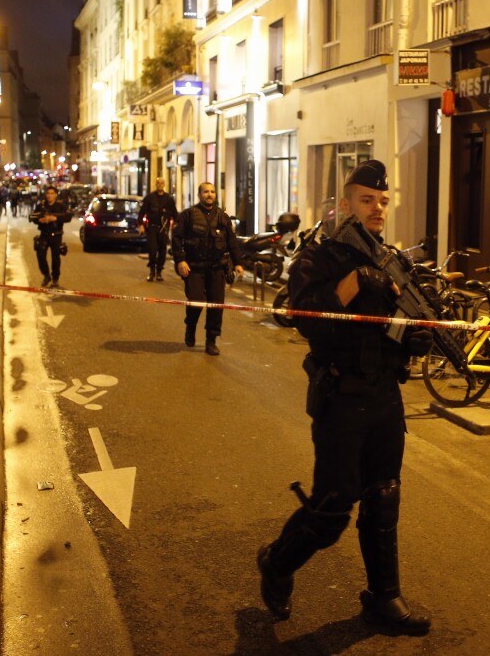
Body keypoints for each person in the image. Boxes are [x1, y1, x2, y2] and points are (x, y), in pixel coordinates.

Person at [256, 160, 433, 635]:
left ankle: (384, 596)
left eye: (382, 200)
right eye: (366, 200)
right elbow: (304, 318)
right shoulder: (320, 258)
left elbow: (391, 328)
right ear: (344, 204)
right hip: (341, 399)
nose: (377, 209)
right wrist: (354, 284)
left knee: (384, 497)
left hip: (384, 398)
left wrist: (412, 340)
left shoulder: (390, 258)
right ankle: (276, 562)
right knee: (333, 508)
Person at [171, 182, 244, 356]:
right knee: (196, 301)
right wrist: (181, 260)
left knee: (216, 305)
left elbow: (232, 242)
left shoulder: (222, 217)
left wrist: (238, 263)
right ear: (199, 194)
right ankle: (191, 326)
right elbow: (176, 239)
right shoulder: (188, 215)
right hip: (194, 268)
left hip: (217, 268)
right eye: (205, 192)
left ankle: (211, 340)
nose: (209, 194)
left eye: (212, 191)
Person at [30, 185, 71, 288]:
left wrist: (55, 218)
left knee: (55, 258)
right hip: (44, 234)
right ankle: (46, 275)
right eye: (48, 193)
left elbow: (68, 216)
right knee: (40, 255)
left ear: (56, 195)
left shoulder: (61, 206)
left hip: (56, 235)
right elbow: (33, 217)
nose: (49, 196)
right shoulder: (41, 206)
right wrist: (39, 220)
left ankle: (55, 279)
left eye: (52, 193)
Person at [139, 177, 178, 282]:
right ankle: (152, 271)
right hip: (152, 228)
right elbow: (142, 212)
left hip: (163, 229)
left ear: (164, 184)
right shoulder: (150, 198)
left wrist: (177, 225)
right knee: (152, 250)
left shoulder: (169, 199)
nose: (160, 185)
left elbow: (174, 213)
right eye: (158, 183)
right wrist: (141, 225)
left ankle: (159, 271)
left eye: (162, 183)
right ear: (156, 184)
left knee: (162, 251)